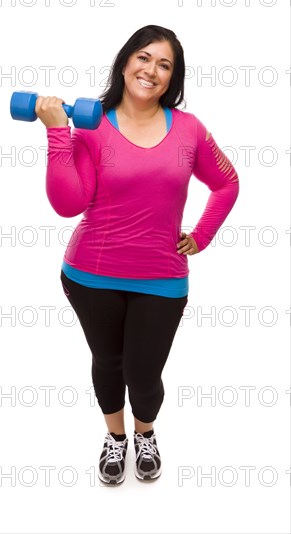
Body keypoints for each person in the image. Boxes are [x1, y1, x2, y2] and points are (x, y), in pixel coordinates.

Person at [36, 25, 239, 485]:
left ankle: (144, 431)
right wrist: (57, 134)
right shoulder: (91, 124)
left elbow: (228, 182)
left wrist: (202, 235)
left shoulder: (190, 131)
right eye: (144, 58)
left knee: (143, 376)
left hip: (162, 278)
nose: (151, 70)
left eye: (164, 65)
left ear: (173, 78)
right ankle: (116, 438)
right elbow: (69, 203)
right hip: (91, 274)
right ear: (126, 61)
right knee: (108, 362)